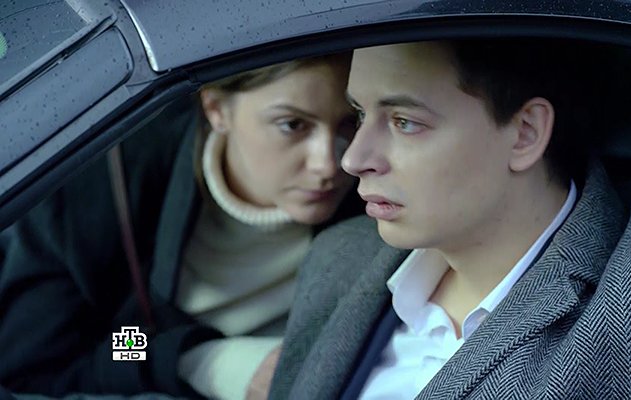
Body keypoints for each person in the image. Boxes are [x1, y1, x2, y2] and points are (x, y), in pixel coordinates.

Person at [270, 40, 631, 399]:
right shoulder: (340, 256)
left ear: (525, 133)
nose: (352, 159)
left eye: (404, 122)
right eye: (360, 114)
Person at [0, 53, 361, 399]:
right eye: (292, 125)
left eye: (351, 120)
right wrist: (200, 361)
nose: (329, 164)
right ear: (216, 110)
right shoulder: (103, 190)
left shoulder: (374, 196)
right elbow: (49, 364)